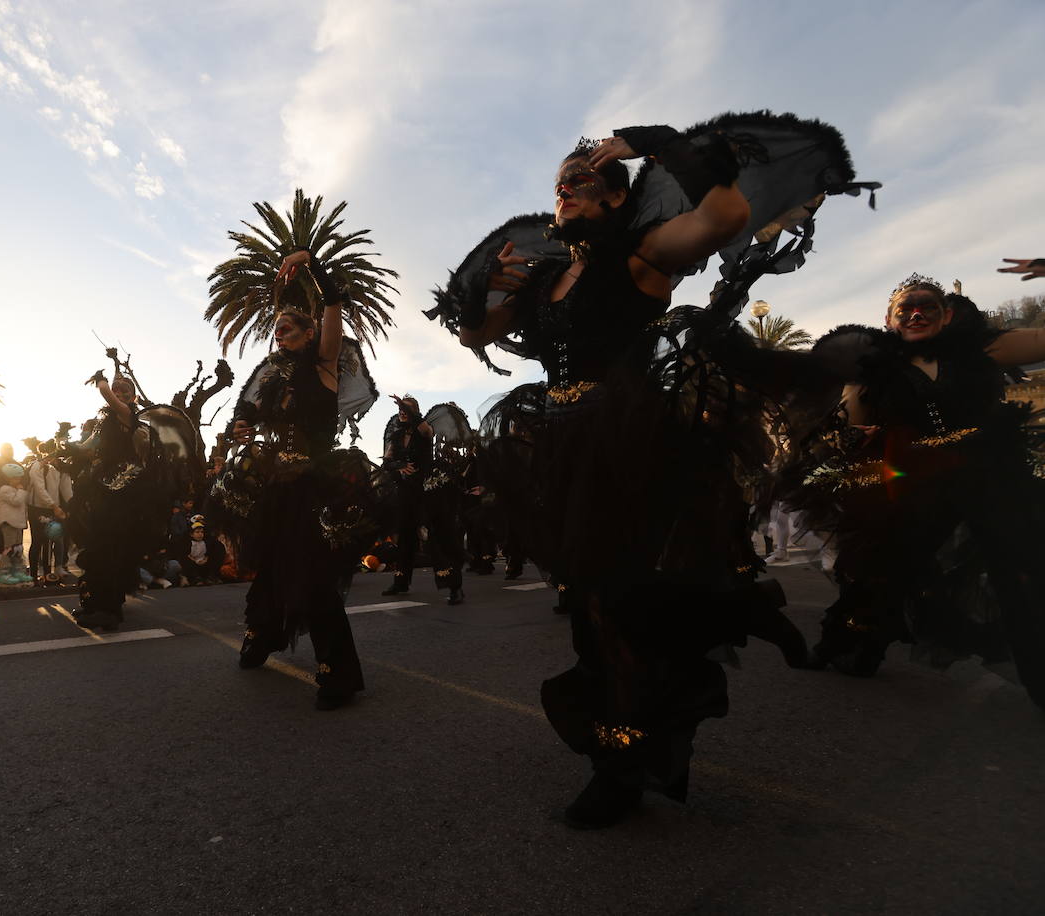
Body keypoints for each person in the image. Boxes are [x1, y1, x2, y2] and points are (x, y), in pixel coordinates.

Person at [445, 113, 866, 827]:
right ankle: (638, 725)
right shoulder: (543, 278)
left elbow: (726, 217)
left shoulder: (640, 254)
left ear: (616, 196)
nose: (564, 191)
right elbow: (475, 334)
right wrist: (482, 284)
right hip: (560, 451)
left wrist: (661, 145)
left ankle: (624, 761)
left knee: (620, 605)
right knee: (591, 601)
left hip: (629, 448)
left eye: (581, 181)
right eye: (559, 184)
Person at [781, 276, 1045, 708]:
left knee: (1020, 569)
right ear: (889, 320)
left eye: (928, 307)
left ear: (948, 315)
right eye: (906, 308)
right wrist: (854, 434)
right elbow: (850, 421)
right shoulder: (875, 369)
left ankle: (1040, 677)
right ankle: (848, 645)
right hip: (917, 483)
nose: (917, 314)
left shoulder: (979, 350)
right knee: (885, 569)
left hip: (989, 477)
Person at [213, 249, 379, 710]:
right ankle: (262, 636)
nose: (279, 333)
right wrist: (241, 426)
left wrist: (309, 261)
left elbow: (333, 301)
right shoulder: (272, 382)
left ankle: (337, 675)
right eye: (277, 329)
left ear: (310, 334)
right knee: (270, 568)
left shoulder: (325, 364)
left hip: (314, 485)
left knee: (314, 577)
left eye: (288, 328)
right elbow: (246, 413)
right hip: (277, 488)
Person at [69, 373, 173, 630]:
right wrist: (64, 447)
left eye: (125, 391)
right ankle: (94, 604)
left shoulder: (128, 415)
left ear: (133, 397)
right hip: (104, 493)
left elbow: (105, 392)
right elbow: (86, 446)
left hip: (124, 495)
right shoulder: (105, 422)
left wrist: (101, 380)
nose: (120, 394)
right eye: (118, 390)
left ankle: (110, 611)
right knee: (98, 550)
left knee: (111, 552)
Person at [380, 396, 433, 598]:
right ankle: (400, 582)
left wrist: (406, 408)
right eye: (400, 409)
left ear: (415, 412)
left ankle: (453, 585)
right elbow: (387, 462)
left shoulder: (424, 430)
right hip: (404, 492)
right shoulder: (396, 436)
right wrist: (399, 466)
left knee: (435, 535)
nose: (402, 411)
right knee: (405, 537)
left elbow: (427, 431)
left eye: (406, 409)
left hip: (426, 490)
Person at [26, 441, 72, 584]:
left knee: (48, 541)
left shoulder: (59, 468)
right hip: (37, 508)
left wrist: (69, 507)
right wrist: (54, 506)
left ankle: (47, 574)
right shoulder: (37, 466)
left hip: (51, 508)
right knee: (37, 541)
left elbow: (65, 489)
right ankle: (33, 575)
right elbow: (40, 489)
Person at [0, 463, 32, 585]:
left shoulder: (15, 490)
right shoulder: (4, 490)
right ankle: (3, 573)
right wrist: (21, 491)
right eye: (15, 478)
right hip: (9, 523)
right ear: (8, 478)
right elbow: (16, 501)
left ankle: (18, 571)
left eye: (19, 478)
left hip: (17, 524)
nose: (18, 480)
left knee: (18, 549)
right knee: (9, 549)